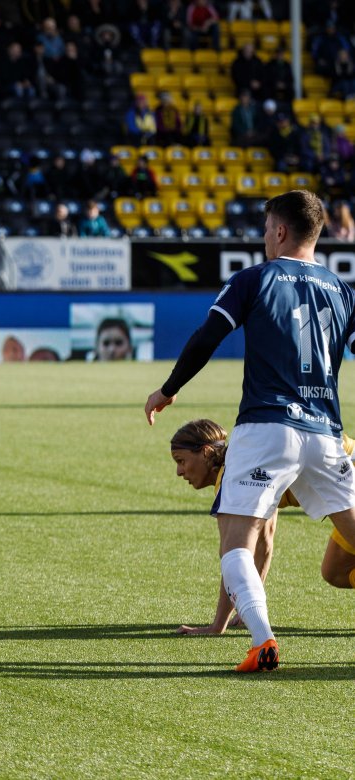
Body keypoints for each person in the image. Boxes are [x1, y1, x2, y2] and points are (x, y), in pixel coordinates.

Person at [145, 190, 355, 673]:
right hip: (326, 432)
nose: (263, 238)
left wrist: (168, 389)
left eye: (265, 229)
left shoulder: (254, 279)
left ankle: (263, 641)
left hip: (267, 427)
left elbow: (207, 337)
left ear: (280, 231)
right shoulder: (343, 292)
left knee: (236, 543)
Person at [169, 419, 355, 635]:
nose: (178, 471)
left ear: (206, 452)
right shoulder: (250, 458)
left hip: (346, 477)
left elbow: (235, 556)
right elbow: (263, 542)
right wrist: (251, 604)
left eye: (181, 461)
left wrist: (217, 626)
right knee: (335, 572)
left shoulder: (236, 476)